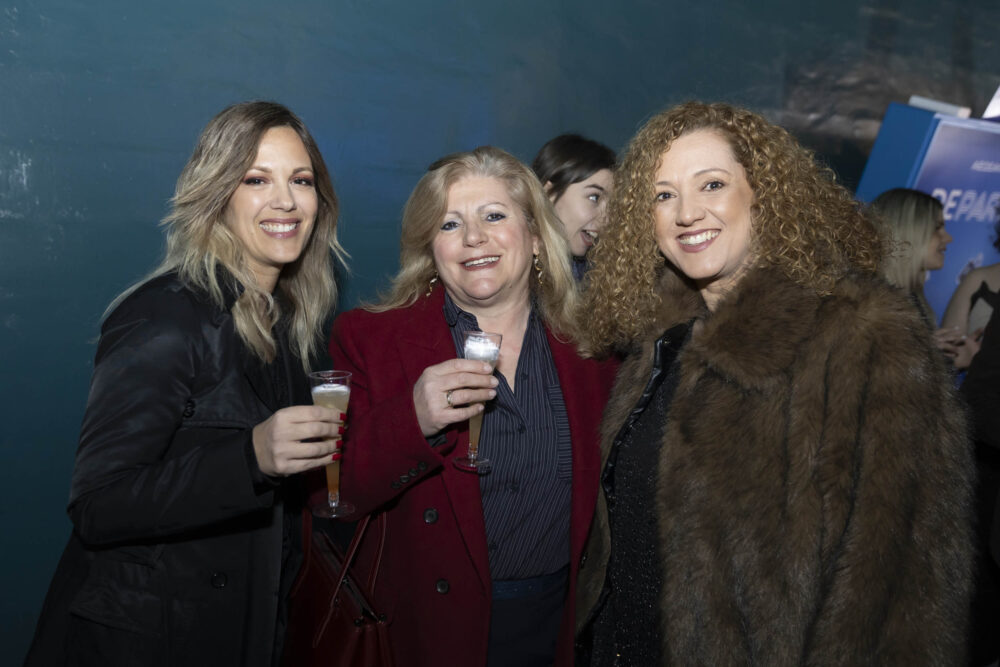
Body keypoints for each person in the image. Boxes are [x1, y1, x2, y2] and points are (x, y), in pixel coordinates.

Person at [575, 101, 973, 665]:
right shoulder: (656, 341)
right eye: (663, 195)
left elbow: (902, 579)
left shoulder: (862, 332)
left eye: (712, 184)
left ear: (765, 192)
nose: (686, 213)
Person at [25, 101, 346, 667]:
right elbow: (98, 505)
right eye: (256, 180)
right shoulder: (165, 315)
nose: (286, 201)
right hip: (148, 642)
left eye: (301, 180)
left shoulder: (293, 327)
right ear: (217, 194)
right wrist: (249, 458)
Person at [327, 146, 617, 667]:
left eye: (494, 216)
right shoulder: (371, 339)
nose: (473, 237)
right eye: (450, 224)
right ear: (430, 249)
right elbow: (333, 496)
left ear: (535, 237)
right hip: (426, 633)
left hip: (557, 626)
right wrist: (411, 420)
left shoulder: (594, 350)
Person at [870, 187, 978, 369]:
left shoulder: (913, 299)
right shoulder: (864, 300)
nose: (948, 238)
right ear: (907, 230)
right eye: (937, 228)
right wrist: (923, 351)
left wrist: (948, 360)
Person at [531, 134, 615, 280]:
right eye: (594, 197)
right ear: (548, 194)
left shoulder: (593, 275)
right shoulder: (512, 269)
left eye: (613, 205)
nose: (606, 219)